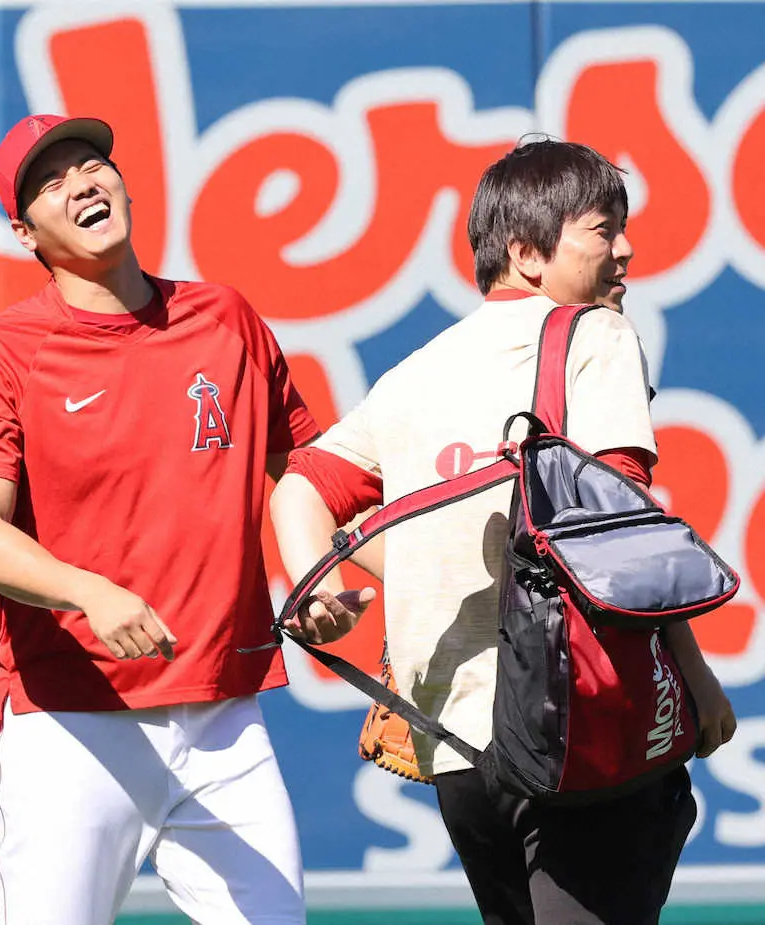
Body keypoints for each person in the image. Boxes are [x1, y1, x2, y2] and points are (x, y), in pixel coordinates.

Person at [269, 139, 737, 925]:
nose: (625, 249)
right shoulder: (594, 334)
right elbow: (619, 538)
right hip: (574, 728)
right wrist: (695, 676)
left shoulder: (416, 371)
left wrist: (317, 581)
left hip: (454, 740)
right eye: (602, 229)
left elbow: (302, 486)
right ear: (526, 252)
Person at [0, 113, 319, 925]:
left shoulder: (226, 317)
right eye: (50, 182)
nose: (81, 183)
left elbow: (302, 469)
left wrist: (317, 571)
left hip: (222, 714)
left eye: (91, 164)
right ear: (22, 229)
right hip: (71, 722)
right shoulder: (0, 353)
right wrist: (89, 591)